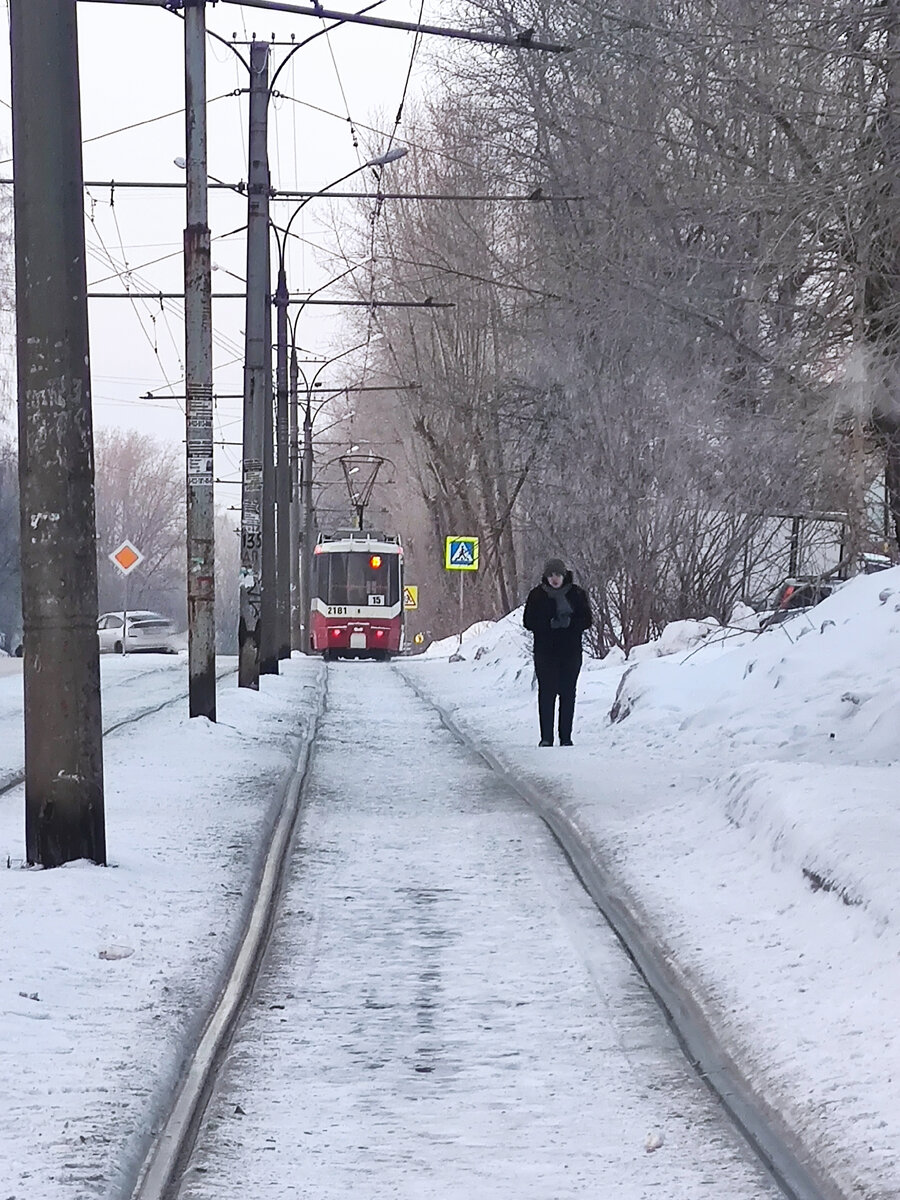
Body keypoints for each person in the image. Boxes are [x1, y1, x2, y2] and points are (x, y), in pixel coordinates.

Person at [523, 557, 592, 746]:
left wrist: (570, 624)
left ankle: (566, 737)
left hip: (570, 652)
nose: (555, 579)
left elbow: (587, 620)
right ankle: (546, 737)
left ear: (564, 575)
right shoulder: (537, 595)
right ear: (546, 576)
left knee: (568, 693)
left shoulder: (577, 594)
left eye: (558, 575)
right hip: (546, 652)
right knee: (547, 693)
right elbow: (528, 622)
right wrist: (548, 624)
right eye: (551, 575)